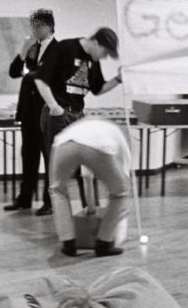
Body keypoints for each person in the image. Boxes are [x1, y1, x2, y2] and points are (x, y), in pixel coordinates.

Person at [33, 27, 123, 216]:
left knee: (87, 162)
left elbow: (98, 89)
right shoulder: (65, 48)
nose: (104, 57)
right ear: (96, 43)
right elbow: (41, 80)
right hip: (58, 114)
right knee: (57, 165)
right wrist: (54, 107)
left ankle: (90, 209)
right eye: (105, 52)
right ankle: (54, 208)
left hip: (77, 116)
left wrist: (118, 79)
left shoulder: (93, 60)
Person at [49, 118, 131, 257]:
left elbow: (86, 175)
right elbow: (124, 171)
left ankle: (68, 242)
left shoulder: (88, 125)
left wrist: (92, 207)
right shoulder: (119, 137)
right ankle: (104, 242)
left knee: (57, 190)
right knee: (121, 193)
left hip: (62, 144)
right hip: (97, 147)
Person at [5, 8, 57, 212]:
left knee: (48, 156)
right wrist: (22, 51)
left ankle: (49, 201)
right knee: (28, 154)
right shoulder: (31, 48)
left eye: (37, 26)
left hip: (46, 111)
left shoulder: (59, 50)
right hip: (28, 110)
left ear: (49, 27)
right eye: (32, 26)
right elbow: (13, 73)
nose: (34, 30)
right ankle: (25, 198)